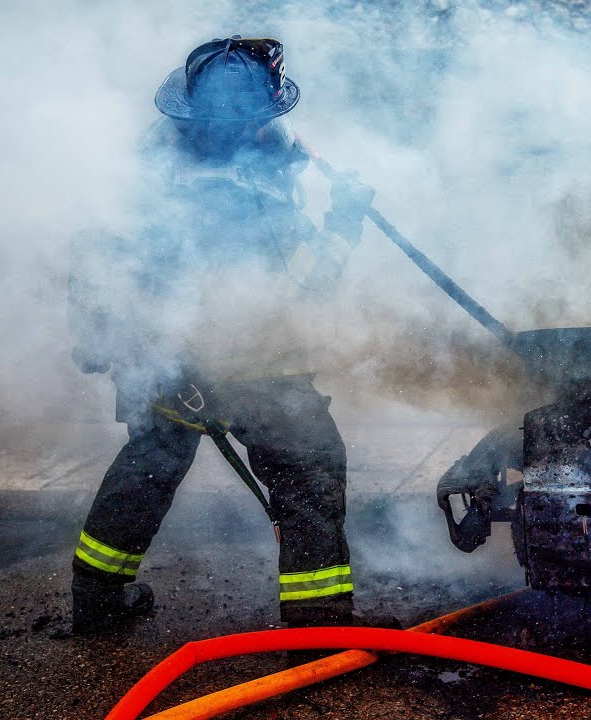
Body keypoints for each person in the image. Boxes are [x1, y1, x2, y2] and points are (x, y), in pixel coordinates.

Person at [67, 36, 376, 635]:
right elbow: (307, 285)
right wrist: (345, 217)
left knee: (149, 465)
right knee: (309, 466)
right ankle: (318, 628)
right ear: (253, 117)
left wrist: (109, 343)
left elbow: (98, 254)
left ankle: (96, 601)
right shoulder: (247, 193)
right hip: (249, 363)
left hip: (162, 361)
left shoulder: (152, 162)